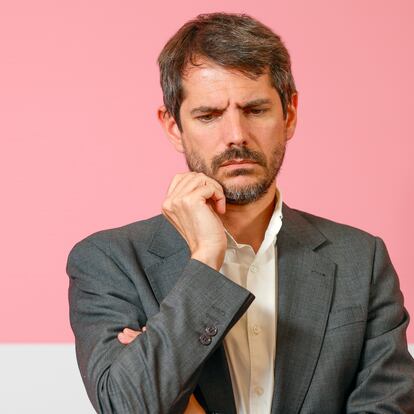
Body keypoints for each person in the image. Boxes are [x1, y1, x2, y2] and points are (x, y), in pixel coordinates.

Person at [66, 12, 414, 414]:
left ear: (290, 114)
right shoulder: (109, 261)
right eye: (208, 115)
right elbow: (128, 407)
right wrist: (205, 259)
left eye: (255, 109)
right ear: (173, 127)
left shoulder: (361, 259)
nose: (236, 135)